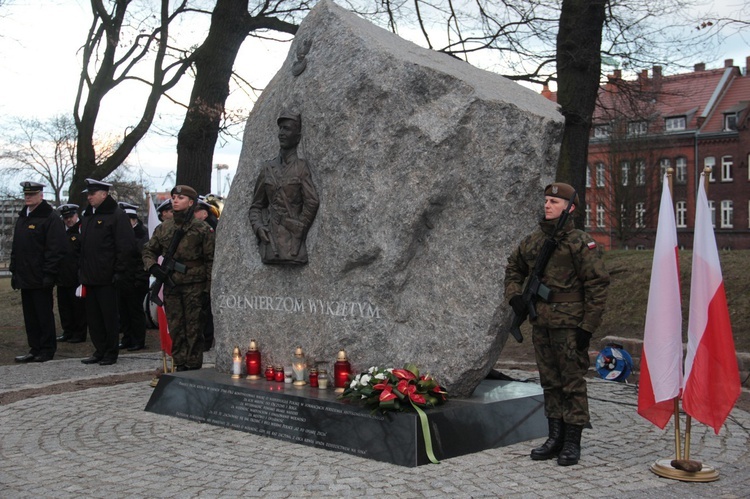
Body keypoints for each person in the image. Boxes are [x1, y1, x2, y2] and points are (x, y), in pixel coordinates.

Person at [504, 182, 610, 466]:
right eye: (546, 200)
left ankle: (572, 442)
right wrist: (515, 296)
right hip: (542, 323)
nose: (547, 205)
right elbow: (514, 267)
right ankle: (554, 437)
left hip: (571, 324)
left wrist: (587, 327)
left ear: (570, 207)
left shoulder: (579, 242)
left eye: (554, 201)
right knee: (550, 382)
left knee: (572, 383)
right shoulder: (534, 241)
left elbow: (597, 285)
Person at [143, 185, 214, 371]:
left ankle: (193, 366)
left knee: (194, 329)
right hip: (171, 285)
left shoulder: (202, 229)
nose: (175, 200)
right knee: (175, 327)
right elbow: (148, 250)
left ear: (191, 202)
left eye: (180, 198)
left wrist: (208, 289)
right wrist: (154, 267)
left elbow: (211, 260)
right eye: (174, 197)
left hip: (194, 286)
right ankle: (180, 364)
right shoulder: (164, 228)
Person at [248, 109, 319, 265]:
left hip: (292, 243)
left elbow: (312, 201)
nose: (281, 133)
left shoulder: (301, 167)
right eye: (280, 129)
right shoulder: (268, 168)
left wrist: (299, 227)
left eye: (286, 129)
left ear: (298, 137)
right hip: (270, 242)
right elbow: (256, 206)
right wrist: (258, 227)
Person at [78, 179, 136, 366]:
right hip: (90, 276)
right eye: (88, 194)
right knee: (93, 318)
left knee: (109, 317)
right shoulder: (88, 216)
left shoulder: (116, 215)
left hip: (108, 277)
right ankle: (99, 349)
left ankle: (111, 352)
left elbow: (125, 246)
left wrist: (119, 271)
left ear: (104, 194)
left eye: (92, 193)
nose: (89, 197)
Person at [10, 181, 67, 363]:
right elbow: (17, 247)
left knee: (43, 315)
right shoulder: (23, 217)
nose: (28, 197)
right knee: (30, 316)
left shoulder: (50, 218)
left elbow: (55, 249)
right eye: (26, 194)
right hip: (25, 276)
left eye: (32, 194)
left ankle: (47, 349)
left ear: (41, 196)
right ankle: (34, 348)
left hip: (41, 277)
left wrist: (49, 274)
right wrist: (14, 271)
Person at [117, 202, 150, 351]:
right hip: (123, 279)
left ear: (133, 219)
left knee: (135, 311)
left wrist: (139, 279)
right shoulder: (122, 234)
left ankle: (138, 340)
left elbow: (141, 258)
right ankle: (127, 337)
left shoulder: (142, 234)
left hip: (136, 280)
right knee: (124, 311)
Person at [56, 204, 88, 344]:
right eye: (66, 217)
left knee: (78, 308)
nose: (68, 220)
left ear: (76, 215)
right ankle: (67, 331)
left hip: (76, 277)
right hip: (62, 276)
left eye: (71, 217)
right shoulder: (60, 232)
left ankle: (79, 333)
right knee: (64, 307)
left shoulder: (82, 230)